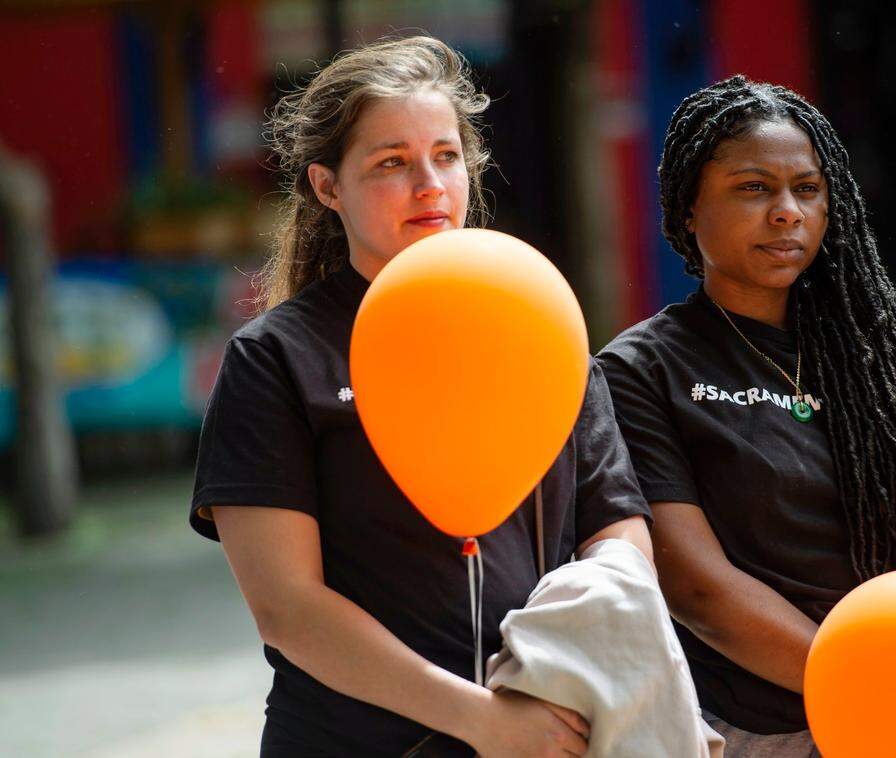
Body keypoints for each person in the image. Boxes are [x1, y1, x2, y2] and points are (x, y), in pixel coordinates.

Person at [189, 36, 653, 757]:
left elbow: (618, 532)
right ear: (326, 186)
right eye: (391, 163)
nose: (430, 183)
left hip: (550, 729)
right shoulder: (276, 357)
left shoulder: (541, 327)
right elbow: (288, 609)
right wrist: (480, 718)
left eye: (445, 155)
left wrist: (560, 667)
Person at [597, 75, 896, 757]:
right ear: (688, 209)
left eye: (807, 189)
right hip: (791, 721)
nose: (787, 211)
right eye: (753, 188)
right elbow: (696, 586)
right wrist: (866, 680)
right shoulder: (642, 370)